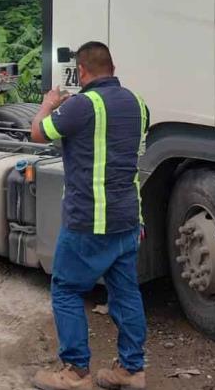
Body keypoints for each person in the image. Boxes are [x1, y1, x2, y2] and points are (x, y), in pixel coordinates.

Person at [31, 42, 150, 390]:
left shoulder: (83, 105)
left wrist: (48, 105)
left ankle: (75, 372)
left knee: (66, 288)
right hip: (128, 220)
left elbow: (38, 133)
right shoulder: (139, 104)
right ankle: (131, 370)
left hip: (89, 221)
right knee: (126, 293)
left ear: (81, 71)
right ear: (111, 68)